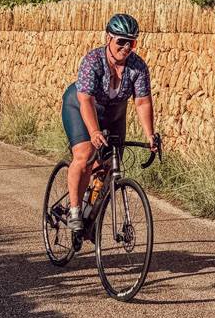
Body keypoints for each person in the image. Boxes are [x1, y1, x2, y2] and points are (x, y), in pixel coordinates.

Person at [61, 13, 157, 231]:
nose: (125, 47)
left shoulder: (138, 67)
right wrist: (94, 131)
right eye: (120, 41)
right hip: (80, 107)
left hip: (114, 114)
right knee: (85, 155)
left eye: (130, 42)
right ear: (108, 38)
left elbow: (142, 103)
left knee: (109, 166)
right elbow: (85, 100)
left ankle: (90, 203)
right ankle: (75, 210)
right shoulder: (93, 61)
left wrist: (150, 135)